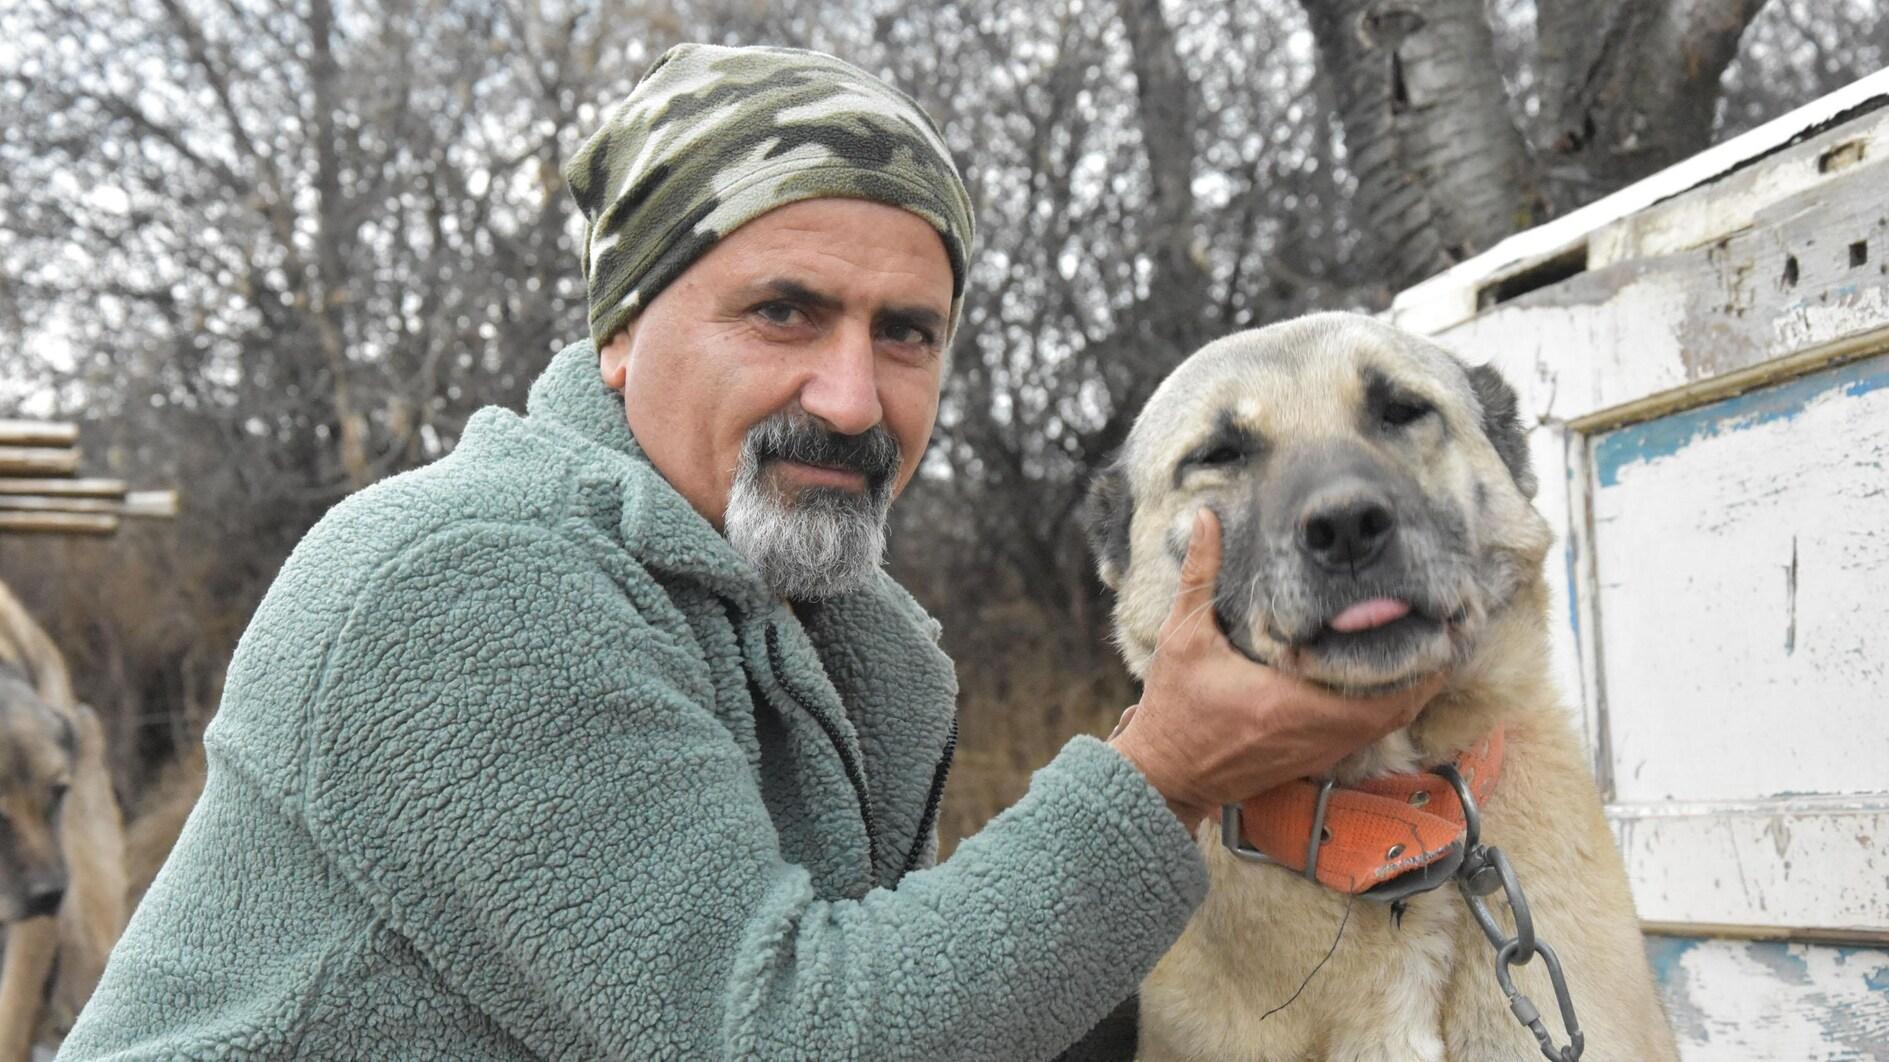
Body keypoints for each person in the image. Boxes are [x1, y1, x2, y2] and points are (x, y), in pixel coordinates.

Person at [61, 44, 1435, 1060]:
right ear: (620, 331)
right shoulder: (464, 580)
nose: (850, 396)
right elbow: (792, 1035)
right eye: (783, 311)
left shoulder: (837, 629)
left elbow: (951, 996)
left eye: (906, 333)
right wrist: (1168, 769)